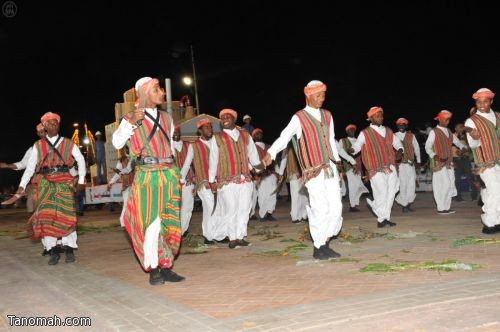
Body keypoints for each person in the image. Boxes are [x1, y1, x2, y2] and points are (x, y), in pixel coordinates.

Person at [112, 76, 184, 285]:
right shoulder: (131, 117)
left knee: (169, 223)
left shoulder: (167, 118)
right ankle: (153, 268)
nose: (162, 92)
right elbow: (117, 142)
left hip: (169, 175)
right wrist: (131, 123)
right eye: (157, 89)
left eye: (161, 88)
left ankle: (166, 265)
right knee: (151, 225)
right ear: (143, 93)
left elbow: (171, 147)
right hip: (147, 176)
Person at [263, 80, 343, 260]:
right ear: (308, 96)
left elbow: (331, 140)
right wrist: (271, 152)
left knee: (336, 207)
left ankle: (326, 241)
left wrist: (338, 164)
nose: (322, 99)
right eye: (318, 95)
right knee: (320, 207)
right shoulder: (299, 117)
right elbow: (284, 137)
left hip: (330, 168)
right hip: (312, 171)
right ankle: (318, 247)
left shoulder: (328, 115)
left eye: (323, 95)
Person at [16, 112, 86, 265]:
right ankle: (52, 250)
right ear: (45, 127)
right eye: (50, 123)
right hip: (45, 184)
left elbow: (80, 160)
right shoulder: (37, 146)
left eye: (56, 123)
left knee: (66, 215)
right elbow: (29, 168)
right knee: (47, 217)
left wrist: (81, 180)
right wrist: (21, 186)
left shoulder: (68, 143)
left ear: (59, 125)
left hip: (64, 182)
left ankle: (69, 249)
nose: (53, 125)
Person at [209, 109, 263, 249]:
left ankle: (240, 236)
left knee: (244, 209)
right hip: (227, 181)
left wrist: (258, 171)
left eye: (228, 116)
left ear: (234, 119)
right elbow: (213, 159)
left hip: (245, 180)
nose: (225, 119)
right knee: (231, 209)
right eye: (222, 117)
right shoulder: (217, 137)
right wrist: (211, 180)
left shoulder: (245, 135)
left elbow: (253, 155)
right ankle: (232, 238)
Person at [349, 107, 403, 227]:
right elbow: (357, 145)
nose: (381, 118)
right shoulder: (365, 133)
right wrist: (352, 150)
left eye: (381, 115)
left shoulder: (388, 131)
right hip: (375, 168)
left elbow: (398, 143)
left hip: (390, 167)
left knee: (391, 192)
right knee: (382, 192)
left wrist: (400, 150)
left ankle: (383, 219)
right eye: (377, 116)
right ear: (371, 118)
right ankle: (378, 211)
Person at [180, 119, 227, 244]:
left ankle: (219, 235)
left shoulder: (218, 143)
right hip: (204, 183)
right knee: (211, 207)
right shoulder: (193, 145)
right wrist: (180, 180)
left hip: (219, 181)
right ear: (200, 130)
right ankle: (209, 236)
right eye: (206, 128)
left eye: (210, 127)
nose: (209, 130)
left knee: (221, 208)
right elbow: (186, 164)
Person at [465, 88, 500, 234]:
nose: (481, 105)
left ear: (491, 101)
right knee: (495, 192)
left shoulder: (498, 116)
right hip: (486, 163)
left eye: (485, 102)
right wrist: (474, 137)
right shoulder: (472, 121)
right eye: (478, 102)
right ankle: (489, 223)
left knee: (494, 192)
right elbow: (473, 145)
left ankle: (496, 220)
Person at [425, 110, 467, 214]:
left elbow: (457, 142)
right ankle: (441, 208)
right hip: (439, 162)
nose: (447, 121)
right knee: (443, 185)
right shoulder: (433, 131)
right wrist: (434, 156)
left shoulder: (448, 131)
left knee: (450, 184)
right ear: (439, 119)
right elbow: (428, 146)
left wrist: (463, 147)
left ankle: (446, 207)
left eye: (448, 120)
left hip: (449, 162)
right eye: (445, 119)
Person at [0, 123, 46, 213]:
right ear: (38, 134)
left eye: (44, 131)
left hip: (57, 179)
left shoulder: (59, 145)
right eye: (40, 132)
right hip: (40, 180)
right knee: (35, 201)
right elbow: (23, 164)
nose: (43, 133)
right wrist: (7, 165)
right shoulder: (34, 148)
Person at [339, 124, 369, 212]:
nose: (352, 131)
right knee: (353, 186)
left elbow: (363, 155)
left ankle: (355, 203)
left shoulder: (358, 141)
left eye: (353, 130)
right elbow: (340, 153)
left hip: (358, 167)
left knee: (357, 185)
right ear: (347, 131)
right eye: (350, 130)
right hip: (348, 166)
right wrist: (340, 168)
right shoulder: (342, 141)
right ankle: (352, 205)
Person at [394, 118, 421, 212]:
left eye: (403, 124)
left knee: (412, 184)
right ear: (397, 126)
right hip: (400, 165)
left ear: (406, 125)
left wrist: (418, 161)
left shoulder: (411, 136)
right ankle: (404, 206)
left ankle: (408, 203)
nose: (401, 126)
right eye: (399, 124)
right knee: (403, 185)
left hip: (410, 164)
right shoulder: (394, 136)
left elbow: (416, 148)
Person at [172, 125, 195, 236]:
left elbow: (195, 163)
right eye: (173, 132)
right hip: (172, 183)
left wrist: (194, 177)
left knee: (188, 206)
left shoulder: (188, 145)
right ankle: (175, 230)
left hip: (188, 181)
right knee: (174, 207)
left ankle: (183, 230)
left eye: (177, 132)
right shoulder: (167, 146)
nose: (175, 134)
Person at [277, 143, 309, 223]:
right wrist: (281, 173)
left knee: (305, 195)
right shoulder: (287, 146)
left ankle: (304, 215)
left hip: (305, 172)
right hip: (293, 172)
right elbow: (284, 159)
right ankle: (295, 217)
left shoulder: (303, 142)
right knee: (295, 195)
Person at [252, 128, 278, 221]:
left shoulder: (268, 146)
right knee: (262, 194)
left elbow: (274, 160)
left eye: (260, 133)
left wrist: (277, 173)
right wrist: (254, 175)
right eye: (256, 133)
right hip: (260, 175)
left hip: (271, 174)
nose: (259, 134)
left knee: (272, 194)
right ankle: (263, 214)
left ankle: (269, 213)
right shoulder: (252, 147)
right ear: (253, 136)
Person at [107, 148, 133, 226]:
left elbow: (128, 170)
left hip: (135, 185)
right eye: (120, 151)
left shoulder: (132, 158)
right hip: (127, 186)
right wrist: (110, 182)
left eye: (121, 150)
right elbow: (117, 174)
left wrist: (119, 171)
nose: (120, 152)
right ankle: (123, 222)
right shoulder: (121, 161)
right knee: (126, 204)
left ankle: (130, 222)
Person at [452, 123, 476, 202]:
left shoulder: (467, 136)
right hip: (456, 160)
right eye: (459, 127)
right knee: (456, 180)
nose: (462, 128)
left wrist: (463, 151)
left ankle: (474, 196)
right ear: (455, 128)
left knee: (470, 178)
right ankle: (458, 197)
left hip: (465, 159)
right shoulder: (451, 136)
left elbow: (471, 147)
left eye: (462, 127)